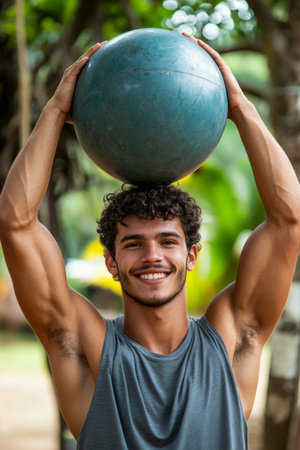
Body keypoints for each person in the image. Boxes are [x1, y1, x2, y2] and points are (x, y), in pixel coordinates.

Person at [0, 34, 299, 450]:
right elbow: (15, 223)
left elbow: (289, 219)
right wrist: (55, 111)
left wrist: (239, 108)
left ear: (191, 255)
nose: (152, 255)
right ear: (111, 261)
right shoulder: (87, 349)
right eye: (134, 243)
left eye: (167, 241)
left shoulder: (233, 339)